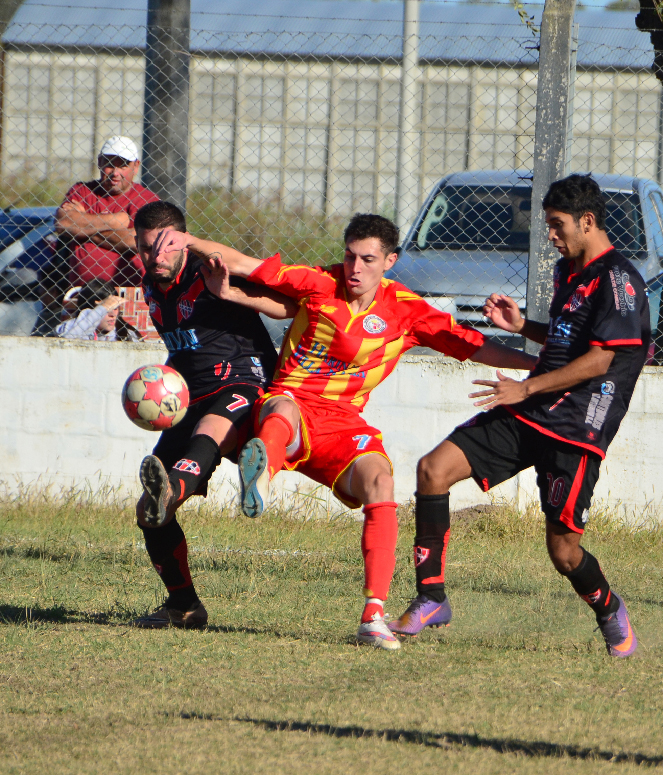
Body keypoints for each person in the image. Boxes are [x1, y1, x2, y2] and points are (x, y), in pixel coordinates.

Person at [150, 213, 536, 649]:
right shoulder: (318, 282)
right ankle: (264, 467)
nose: (355, 268)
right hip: (290, 401)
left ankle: (374, 615)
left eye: (368, 259)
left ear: (390, 261)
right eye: (350, 256)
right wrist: (190, 241)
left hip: (342, 422)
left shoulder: (406, 310)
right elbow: (245, 263)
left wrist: (539, 370)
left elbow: (473, 344)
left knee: (381, 481)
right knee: (281, 408)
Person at [390, 174, 650, 658]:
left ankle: (611, 609)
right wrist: (521, 326)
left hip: (577, 429)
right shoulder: (567, 270)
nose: (550, 235)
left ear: (587, 221)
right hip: (530, 409)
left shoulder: (619, 281)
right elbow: (568, 337)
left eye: (557, 225)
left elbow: (600, 359)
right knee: (433, 470)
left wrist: (524, 387)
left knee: (564, 552)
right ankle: (431, 596)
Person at [131, 201, 298, 630]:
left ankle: (173, 489)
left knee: (210, 431)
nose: (156, 257)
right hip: (188, 394)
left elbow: (286, 301)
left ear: (183, 242)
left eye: (166, 247)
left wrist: (228, 286)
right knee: (146, 513)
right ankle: (184, 606)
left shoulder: (210, 267)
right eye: (147, 248)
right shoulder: (151, 282)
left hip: (242, 380)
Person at [55, 136, 159, 287]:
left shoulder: (145, 199)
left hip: (129, 293)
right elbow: (63, 222)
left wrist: (83, 228)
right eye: (109, 164)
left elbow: (135, 241)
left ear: (136, 166)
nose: (115, 173)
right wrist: (118, 221)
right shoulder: (82, 191)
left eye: (123, 166)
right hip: (83, 293)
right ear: (99, 162)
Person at [54, 279, 141, 341]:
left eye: (115, 308)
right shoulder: (69, 327)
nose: (113, 314)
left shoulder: (125, 335)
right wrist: (100, 310)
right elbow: (65, 344)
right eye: (106, 309)